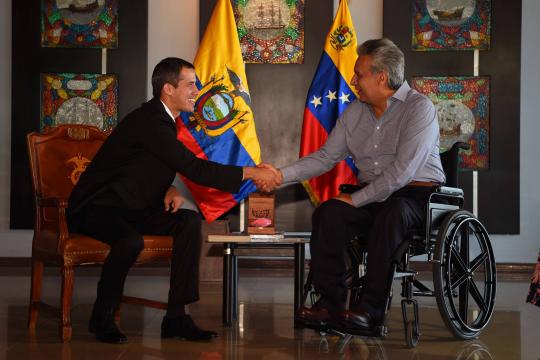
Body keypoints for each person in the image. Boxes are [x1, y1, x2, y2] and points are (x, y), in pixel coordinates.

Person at [67, 57, 279, 344]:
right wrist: (252, 171)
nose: (197, 90)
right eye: (190, 84)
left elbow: (142, 164)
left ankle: (176, 317)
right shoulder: (151, 121)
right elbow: (195, 168)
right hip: (96, 208)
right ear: (168, 89)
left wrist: (168, 188)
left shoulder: (163, 120)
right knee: (130, 241)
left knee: (188, 223)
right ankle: (102, 316)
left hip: (130, 206)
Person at [264, 38, 446, 334]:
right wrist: (279, 175)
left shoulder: (419, 108)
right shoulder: (354, 113)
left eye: (359, 74)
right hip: (373, 195)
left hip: (416, 196)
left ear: (381, 77)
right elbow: (325, 157)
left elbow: (402, 172)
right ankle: (330, 305)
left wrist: (358, 200)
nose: (353, 81)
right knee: (328, 213)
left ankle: (370, 311)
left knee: (393, 212)